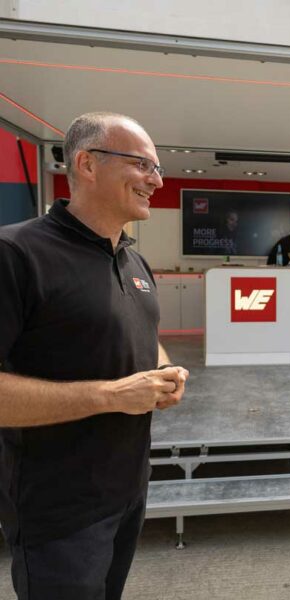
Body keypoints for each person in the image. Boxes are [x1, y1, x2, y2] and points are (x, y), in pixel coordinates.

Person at [0, 112, 189, 600]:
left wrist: (162, 366)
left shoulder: (133, 258)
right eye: (143, 165)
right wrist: (111, 395)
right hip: (58, 510)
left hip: (127, 493)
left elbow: (141, 332)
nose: (157, 180)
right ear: (86, 163)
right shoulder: (16, 253)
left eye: (158, 168)